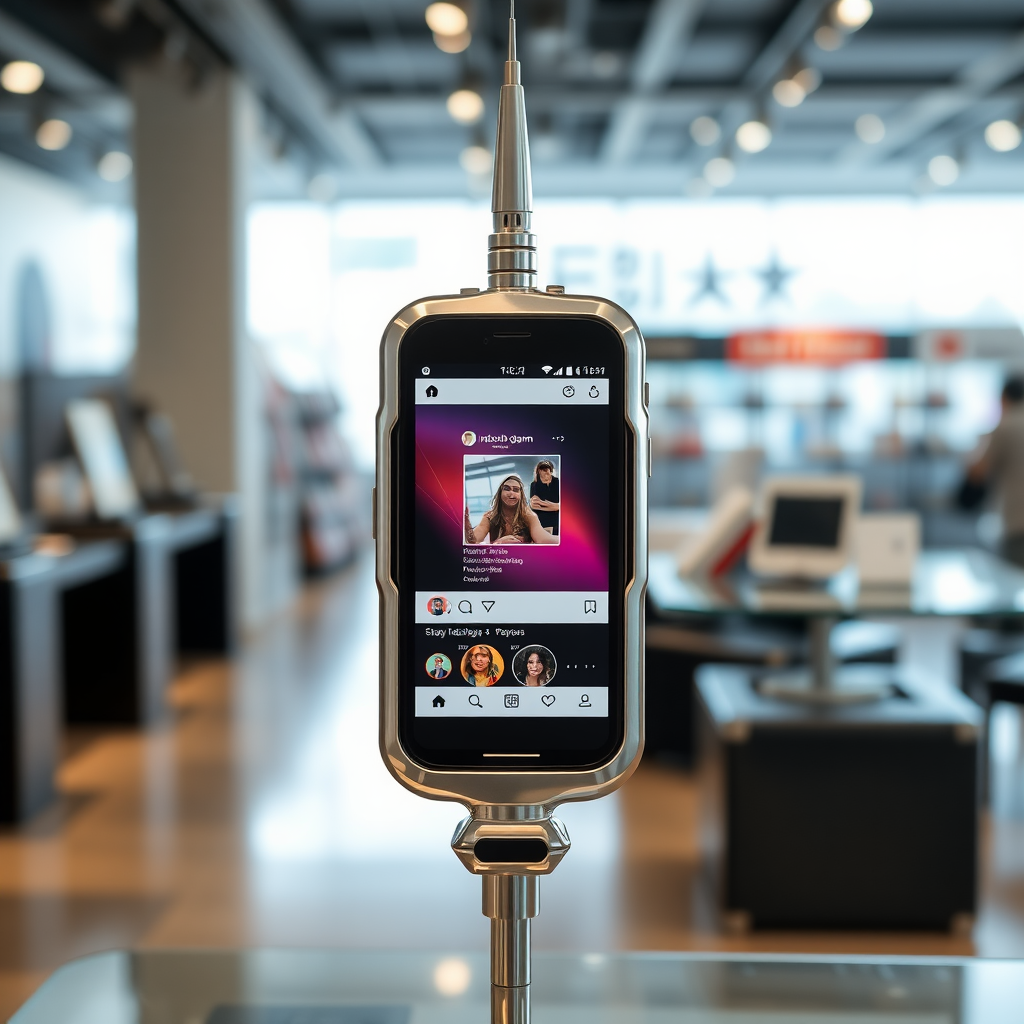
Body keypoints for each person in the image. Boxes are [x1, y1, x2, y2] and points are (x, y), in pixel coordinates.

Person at [968, 376, 1024, 568]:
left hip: (1018, 522)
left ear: (1003, 398)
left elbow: (978, 472)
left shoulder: (1005, 427)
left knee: (1015, 581)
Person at [464, 474, 558, 545]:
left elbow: (542, 539)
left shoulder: (529, 516)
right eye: (506, 489)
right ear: (500, 493)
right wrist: (466, 524)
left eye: (516, 490)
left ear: (520, 495)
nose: (511, 493)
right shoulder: (489, 517)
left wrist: (568, 539)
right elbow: (473, 541)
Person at [529, 460, 560, 535]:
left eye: (548, 469)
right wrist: (555, 506)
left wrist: (544, 504)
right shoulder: (534, 485)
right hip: (542, 521)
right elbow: (534, 506)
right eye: (543, 470)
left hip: (557, 520)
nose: (546, 472)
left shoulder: (557, 482)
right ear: (538, 471)